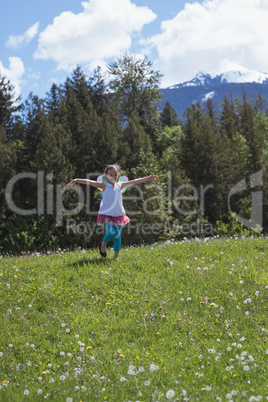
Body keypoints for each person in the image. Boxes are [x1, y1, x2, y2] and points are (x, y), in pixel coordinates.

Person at [67, 164, 158, 259]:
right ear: (106, 175)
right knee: (112, 233)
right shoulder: (104, 185)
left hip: (119, 215)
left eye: (115, 174)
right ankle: (103, 244)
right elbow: (89, 182)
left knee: (117, 236)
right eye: (111, 174)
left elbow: (135, 181)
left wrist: (148, 178)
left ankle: (115, 258)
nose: (113, 176)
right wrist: (77, 180)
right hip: (106, 215)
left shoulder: (120, 185)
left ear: (118, 175)